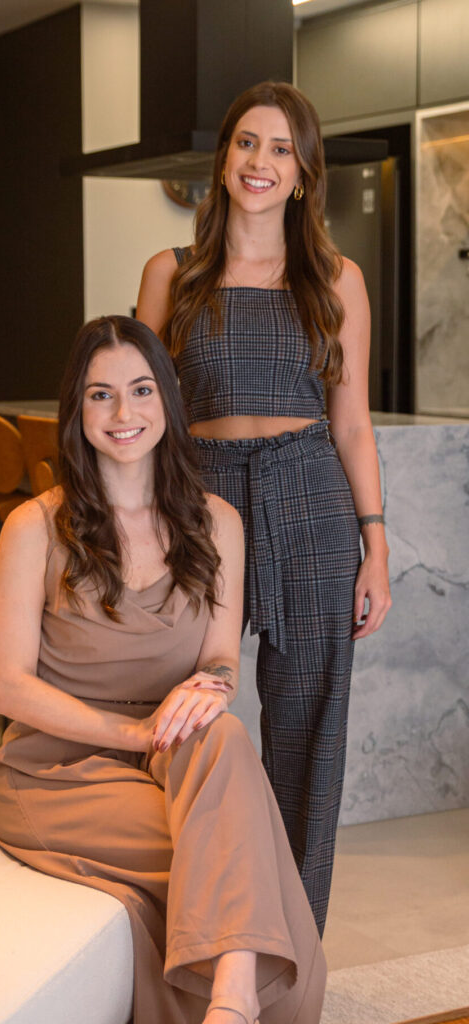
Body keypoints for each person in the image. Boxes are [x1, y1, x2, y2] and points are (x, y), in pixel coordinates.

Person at [0, 315, 326, 1024]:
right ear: (77, 410)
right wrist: (136, 735)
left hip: (174, 754)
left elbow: (220, 658)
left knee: (223, 732)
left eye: (141, 390)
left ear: (167, 401)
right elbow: (8, 687)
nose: (123, 412)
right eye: (101, 394)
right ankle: (247, 1000)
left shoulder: (218, 523)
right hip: (58, 772)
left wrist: (214, 685)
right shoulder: (34, 527)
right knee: (234, 849)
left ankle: (231, 1000)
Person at [136, 81, 392, 935]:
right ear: (223, 161)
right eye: (248, 143)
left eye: (282, 149)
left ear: (305, 173)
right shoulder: (171, 274)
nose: (261, 162)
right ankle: (182, 916)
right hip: (199, 500)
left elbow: (351, 423)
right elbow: (144, 413)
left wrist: (376, 545)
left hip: (310, 496)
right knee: (173, 707)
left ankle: (290, 942)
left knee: (307, 728)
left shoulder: (337, 280)